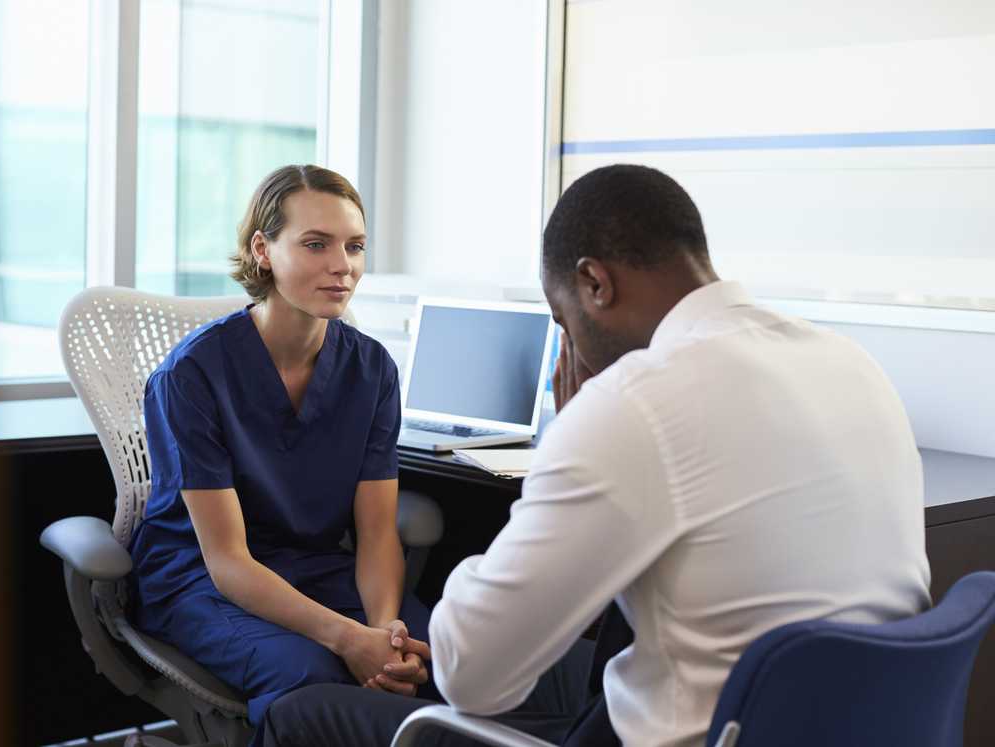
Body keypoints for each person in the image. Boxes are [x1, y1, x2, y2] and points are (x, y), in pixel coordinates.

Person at [258, 164, 932, 746]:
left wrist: (575, 432)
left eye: (561, 319)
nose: (568, 347)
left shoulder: (636, 403)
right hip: (847, 723)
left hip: (699, 730)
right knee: (564, 661)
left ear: (594, 284)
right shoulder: (850, 363)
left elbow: (472, 672)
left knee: (299, 714)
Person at [127, 165, 432, 742]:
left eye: (355, 246)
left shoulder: (372, 370)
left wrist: (384, 631)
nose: (343, 265)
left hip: (315, 570)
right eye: (316, 244)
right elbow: (227, 562)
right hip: (201, 582)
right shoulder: (192, 376)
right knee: (315, 675)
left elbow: (376, 535)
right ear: (262, 250)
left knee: (435, 658)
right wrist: (346, 638)